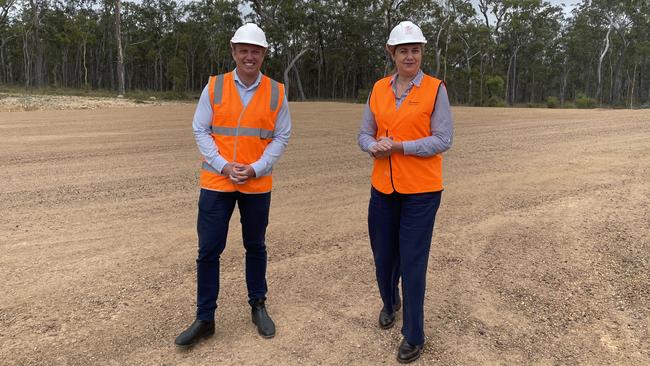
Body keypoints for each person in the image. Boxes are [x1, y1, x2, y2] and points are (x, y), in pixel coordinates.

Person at [175, 23, 291, 348]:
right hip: (217, 181)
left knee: (255, 246)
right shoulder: (214, 87)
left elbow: (281, 136)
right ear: (233, 51)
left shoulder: (276, 92)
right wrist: (225, 166)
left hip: (256, 183)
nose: (249, 56)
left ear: (264, 54)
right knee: (209, 250)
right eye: (244, 50)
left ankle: (258, 305)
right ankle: (205, 318)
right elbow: (200, 129)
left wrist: (255, 169)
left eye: (256, 51)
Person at [357, 21, 453, 363]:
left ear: (421, 53)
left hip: (422, 191)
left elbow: (443, 139)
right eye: (403, 50)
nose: (409, 56)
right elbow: (364, 134)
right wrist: (373, 145)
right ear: (391, 53)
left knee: (412, 263)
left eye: (415, 50)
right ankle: (390, 301)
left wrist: (398, 147)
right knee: (384, 257)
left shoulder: (435, 89)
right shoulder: (379, 89)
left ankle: (414, 334)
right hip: (383, 187)